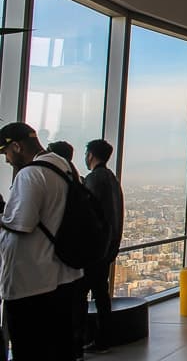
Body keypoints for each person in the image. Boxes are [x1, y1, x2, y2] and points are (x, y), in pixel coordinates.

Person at [0, 122, 83, 360]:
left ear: (16, 146)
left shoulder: (30, 174)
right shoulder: (64, 166)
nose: (6, 160)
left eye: (6, 153)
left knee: (30, 346)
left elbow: (21, 223)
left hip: (32, 280)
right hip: (63, 273)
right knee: (59, 345)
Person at [76, 139, 124, 356]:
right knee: (101, 295)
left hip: (94, 250)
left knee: (80, 295)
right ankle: (104, 338)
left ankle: (85, 339)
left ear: (90, 155)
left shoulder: (94, 180)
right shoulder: (112, 179)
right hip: (108, 249)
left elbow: (88, 214)